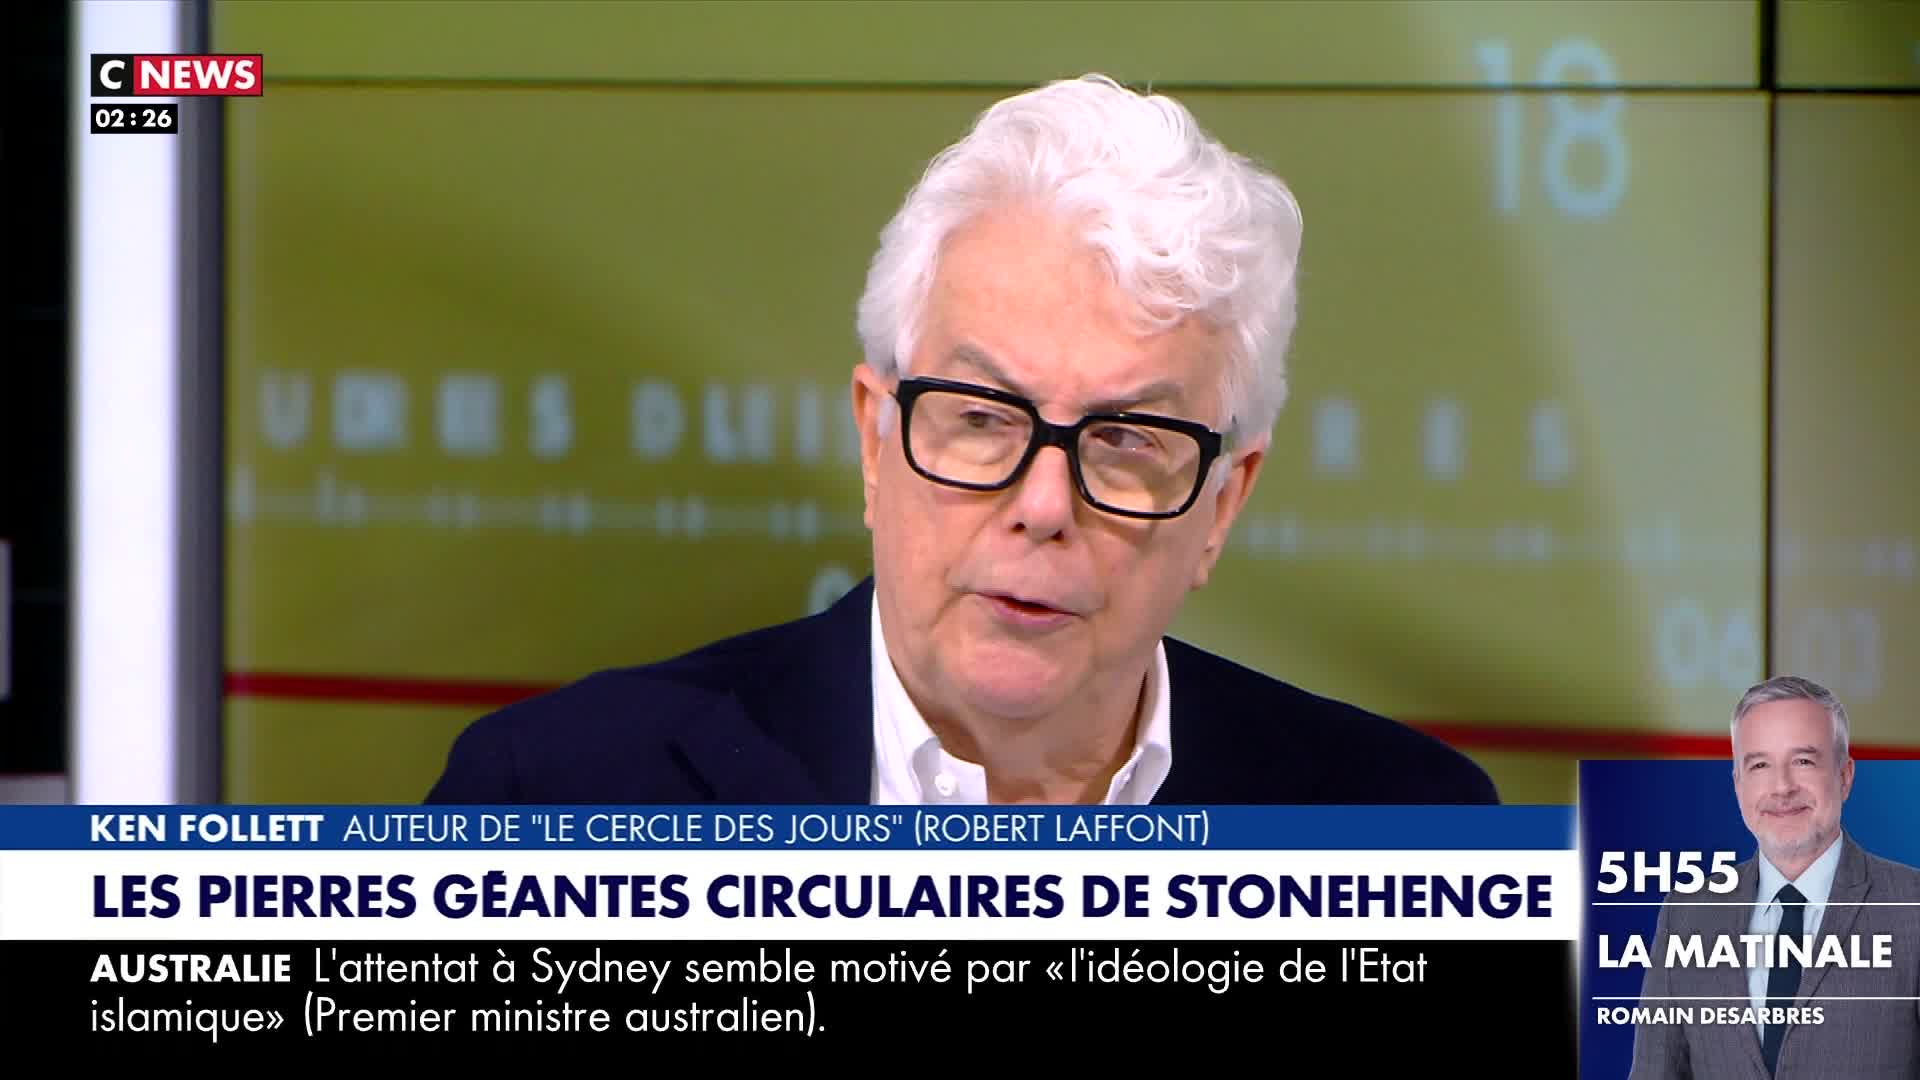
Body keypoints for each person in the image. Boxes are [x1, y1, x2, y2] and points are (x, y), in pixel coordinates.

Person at [424, 74, 1496, 807]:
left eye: (1127, 440)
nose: (1044, 506)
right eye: (982, 418)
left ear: (1221, 504)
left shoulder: (1404, 827)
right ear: (875, 440)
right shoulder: (553, 797)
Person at [1629, 675, 1920, 1079]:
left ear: (1845, 775)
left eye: (1803, 761)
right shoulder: (1687, 913)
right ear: (1738, 785)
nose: (1782, 787)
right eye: (1760, 765)